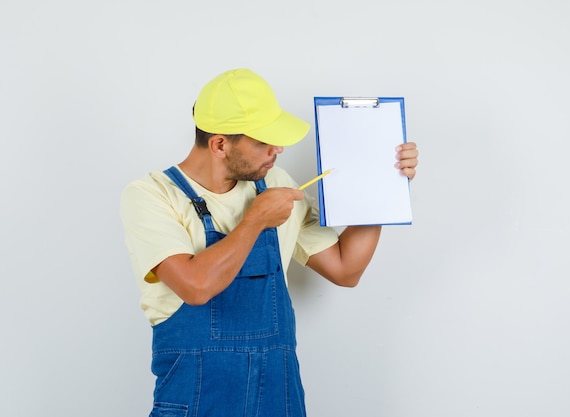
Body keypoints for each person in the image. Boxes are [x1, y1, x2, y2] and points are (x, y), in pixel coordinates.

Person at [120, 68, 419, 417]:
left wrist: (381, 186)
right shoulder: (152, 195)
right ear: (220, 144)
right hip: (197, 399)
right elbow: (195, 286)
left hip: (278, 397)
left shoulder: (275, 181)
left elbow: (346, 268)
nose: (277, 149)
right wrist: (256, 219)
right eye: (264, 141)